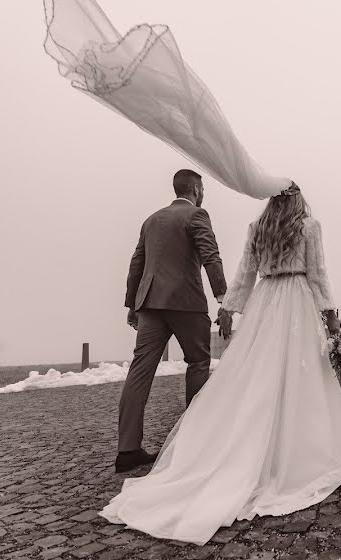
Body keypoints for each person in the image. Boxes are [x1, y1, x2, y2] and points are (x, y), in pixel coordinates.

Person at [100, 182, 341, 545]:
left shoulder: (257, 228)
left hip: (263, 302)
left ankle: (159, 445)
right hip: (296, 302)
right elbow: (318, 275)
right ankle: (296, 447)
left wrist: (229, 309)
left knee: (255, 374)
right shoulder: (308, 226)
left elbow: (244, 274)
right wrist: (331, 316)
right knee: (298, 373)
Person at [116, 169, 227, 473]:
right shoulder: (196, 216)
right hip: (185, 302)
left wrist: (132, 305)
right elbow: (211, 255)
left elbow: (137, 262)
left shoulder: (151, 220)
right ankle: (194, 440)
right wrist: (223, 298)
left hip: (149, 304)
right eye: (202, 188)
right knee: (199, 363)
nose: (203, 193)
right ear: (194, 188)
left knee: (140, 371)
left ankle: (127, 449)